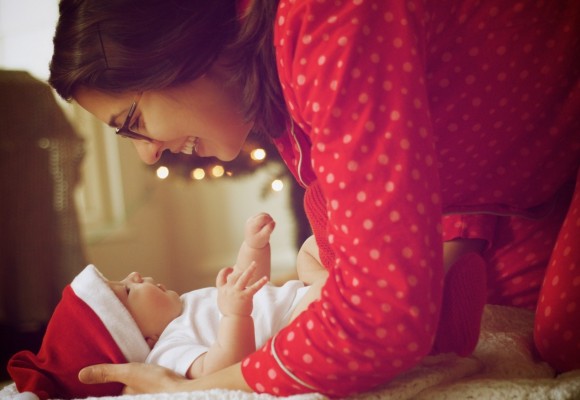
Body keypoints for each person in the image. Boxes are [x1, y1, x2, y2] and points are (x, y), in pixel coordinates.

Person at [47, 0, 580, 397]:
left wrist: (192, 390)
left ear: (172, 44)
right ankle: (454, 256)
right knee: (503, 321)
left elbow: (379, 321)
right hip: (513, 188)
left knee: (562, 338)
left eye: (134, 123)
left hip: (535, 168)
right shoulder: (280, 86)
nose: (148, 156)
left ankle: (448, 264)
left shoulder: (326, 19)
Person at [8, 213, 328, 399]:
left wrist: (252, 247)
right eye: (129, 291)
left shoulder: (186, 307)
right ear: (141, 339)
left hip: (299, 296)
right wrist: (236, 313)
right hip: (295, 326)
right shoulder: (168, 351)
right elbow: (223, 367)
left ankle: (345, 278)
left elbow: (250, 284)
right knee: (330, 287)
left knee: (309, 250)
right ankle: (350, 283)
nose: (134, 276)